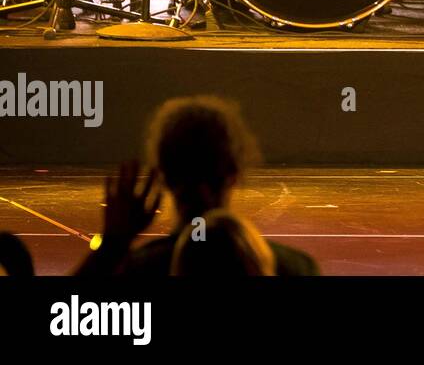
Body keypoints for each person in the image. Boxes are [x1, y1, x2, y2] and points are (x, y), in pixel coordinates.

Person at [74, 96, 318, 276]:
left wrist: (114, 245)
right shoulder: (296, 267)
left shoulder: (142, 267)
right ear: (235, 171)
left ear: (163, 176)